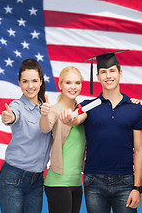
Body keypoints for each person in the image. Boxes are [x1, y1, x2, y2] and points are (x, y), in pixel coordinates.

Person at [60, 52, 142, 213]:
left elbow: (140, 149)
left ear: (120, 73)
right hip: (94, 181)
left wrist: (137, 187)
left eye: (112, 71)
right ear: (98, 76)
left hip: (126, 181)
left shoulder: (135, 109)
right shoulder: (88, 106)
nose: (108, 76)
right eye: (103, 72)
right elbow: (77, 119)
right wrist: (69, 118)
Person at [0, 59, 52, 213]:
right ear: (19, 83)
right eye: (25, 81)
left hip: (37, 181)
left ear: (41, 81)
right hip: (13, 178)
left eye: (34, 81)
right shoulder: (17, 106)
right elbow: (13, 115)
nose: (30, 86)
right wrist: (10, 117)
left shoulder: (46, 108)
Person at [39, 66, 86, 213]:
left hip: (77, 183)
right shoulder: (53, 110)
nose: (73, 87)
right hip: (58, 183)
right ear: (60, 84)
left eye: (77, 83)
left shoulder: (82, 112)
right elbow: (45, 127)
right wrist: (45, 115)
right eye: (68, 83)